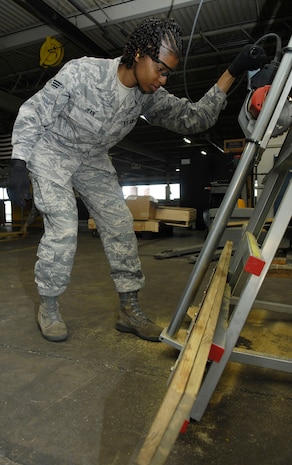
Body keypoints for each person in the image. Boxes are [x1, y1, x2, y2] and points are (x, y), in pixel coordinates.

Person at [6, 17, 266, 343]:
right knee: (64, 227)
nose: (163, 79)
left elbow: (195, 118)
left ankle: (129, 310)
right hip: (52, 152)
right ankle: (49, 305)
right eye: (160, 69)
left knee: (120, 226)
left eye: (168, 72)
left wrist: (233, 71)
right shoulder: (83, 72)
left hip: (93, 159)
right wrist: (18, 161)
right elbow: (34, 111)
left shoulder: (147, 96)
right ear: (140, 54)